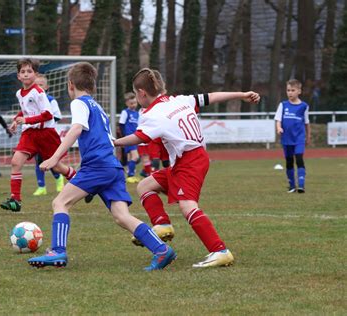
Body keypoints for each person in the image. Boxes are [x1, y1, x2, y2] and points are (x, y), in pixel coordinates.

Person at [27, 62, 176, 271]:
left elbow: (76, 129)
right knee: (121, 216)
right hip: (112, 167)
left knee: (60, 202)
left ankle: (57, 251)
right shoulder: (98, 108)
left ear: (71, 85)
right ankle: (161, 250)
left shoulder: (79, 103)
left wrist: (54, 157)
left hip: (98, 166)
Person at [114, 68, 260, 268]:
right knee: (145, 186)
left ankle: (219, 250)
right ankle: (162, 224)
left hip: (189, 162)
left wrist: (115, 142)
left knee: (187, 206)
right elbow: (211, 97)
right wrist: (241, 94)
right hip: (190, 158)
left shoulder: (153, 114)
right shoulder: (179, 100)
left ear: (141, 93)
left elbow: (140, 137)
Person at [0, 58, 77, 213]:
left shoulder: (38, 92)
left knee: (56, 166)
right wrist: (16, 120)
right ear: (18, 76)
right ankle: (15, 200)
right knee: (15, 162)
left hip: (45, 134)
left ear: (35, 74)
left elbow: (48, 115)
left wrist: (26, 119)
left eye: (29, 71)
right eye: (23, 72)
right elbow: (25, 110)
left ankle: (81, 182)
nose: (26, 74)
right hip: (30, 133)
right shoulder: (19, 93)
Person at [274, 79, 311, 193]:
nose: (290, 93)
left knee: (299, 158)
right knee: (289, 161)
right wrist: (279, 128)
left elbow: (306, 122)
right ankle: (292, 186)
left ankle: (301, 185)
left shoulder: (304, 106)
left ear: (299, 91)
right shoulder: (283, 105)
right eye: (288, 90)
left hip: (299, 138)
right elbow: (278, 120)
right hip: (287, 138)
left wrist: (308, 136)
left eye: (292, 90)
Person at [32, 74, 65, 196]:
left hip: (48, 136)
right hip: (36, 136)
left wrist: (43, 121)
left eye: (41, 85)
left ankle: (59, 179)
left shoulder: (51, 100)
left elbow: (57, 116)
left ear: (46, 87)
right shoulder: (32, 100)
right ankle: (41, 187)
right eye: (36, 84)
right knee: (38, 161)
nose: (38, 87)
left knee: (51, 162)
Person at [118, 92, 140, 183]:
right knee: (135, 157)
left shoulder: (137, 113)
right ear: (127, 103)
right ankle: (131, 175)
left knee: (130, 157)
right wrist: (124, 137)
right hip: (129, 137)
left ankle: (130, 175)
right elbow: (121, 124)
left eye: (135, 103)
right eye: (131, 103)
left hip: (135, 137)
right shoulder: (125, 112)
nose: (134, 105)